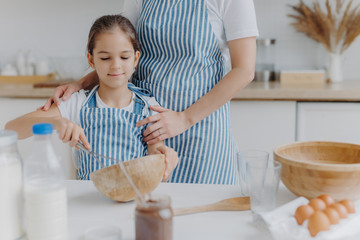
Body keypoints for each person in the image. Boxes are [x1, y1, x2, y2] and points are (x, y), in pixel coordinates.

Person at [41, 0, 259, 185]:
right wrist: (82, 83)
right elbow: (121, 48)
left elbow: (245, 70)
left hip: (201, 133)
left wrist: (184, 118)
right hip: (143, 133)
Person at [6, 14, 178, 181]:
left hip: (132, 203)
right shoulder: (77, 102)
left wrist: (165, 162)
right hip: (88, 202)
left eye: (124, 57)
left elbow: (158, 165)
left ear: (135, 58)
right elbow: (11, 129)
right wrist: (56, 123)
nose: (116, 65)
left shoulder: (149, 107)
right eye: (105, 58)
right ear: (91, 60)